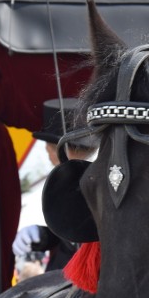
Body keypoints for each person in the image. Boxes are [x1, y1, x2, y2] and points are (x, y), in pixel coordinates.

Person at [12, 98, 97, 271]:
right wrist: (43, 235)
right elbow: (70, 234)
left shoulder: (99, 178)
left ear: (56, 150)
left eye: (48, 147)